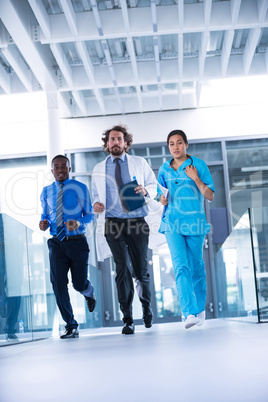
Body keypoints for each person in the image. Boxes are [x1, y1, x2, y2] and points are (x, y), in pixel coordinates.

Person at [92, 124, 157, 335]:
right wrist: (96, 205)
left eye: (119, 139)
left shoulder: (139, 162)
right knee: (122, 269)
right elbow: (95, 195)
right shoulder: (99, 168)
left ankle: (146, 308)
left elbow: (153, 186)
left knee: (140, 270)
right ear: (107, 143)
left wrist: (146, 190)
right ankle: (127, 318)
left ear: (126, 143)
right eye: (112, 139)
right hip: (112, 223)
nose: (115, 142)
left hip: (136, 221)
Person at [158, 130, 215, 329]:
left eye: (179, 142)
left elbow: (210, 196)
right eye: (172, 144)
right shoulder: (164, 169)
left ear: (186, 144)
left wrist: (196, 178)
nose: (175, 147)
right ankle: (188, 312)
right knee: (180, 266)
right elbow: (161, 195)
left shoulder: (198, 165)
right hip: (172, 223)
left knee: (196, 266)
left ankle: (199, 308)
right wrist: (162, 199)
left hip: (194, 223)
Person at [39, 155, 96, 339]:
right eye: (56, 167)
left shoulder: (80, 188)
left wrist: (78, 223)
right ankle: (71, 325)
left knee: (78, 283)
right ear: (52, 171)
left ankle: (89, 292)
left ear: (69, 169)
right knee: (58, 285)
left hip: (78, 242)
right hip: (57, 243)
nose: (60, 169)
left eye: (64, 166)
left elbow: (90, 215)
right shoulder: (46, 191)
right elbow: (45, 215)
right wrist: (44, 222)